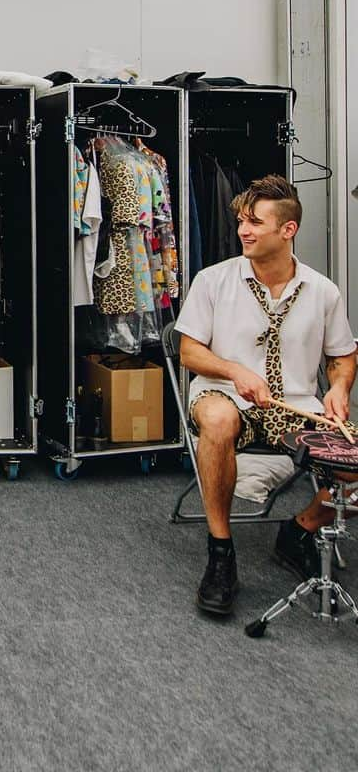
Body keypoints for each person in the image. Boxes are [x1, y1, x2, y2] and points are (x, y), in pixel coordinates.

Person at [175, 174, 356, 616]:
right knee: (217, 421)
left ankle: (301, 528)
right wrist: (234, 370)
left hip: (298, 405)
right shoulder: (213, 281)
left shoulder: (323, 291)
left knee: (355, 463)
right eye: (241, 221)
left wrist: (338, 387)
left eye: (255, 222)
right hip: (224, 397)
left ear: (287, 230)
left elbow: (343, 355)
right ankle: (221, 554)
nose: (243, 230)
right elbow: (188, 352)